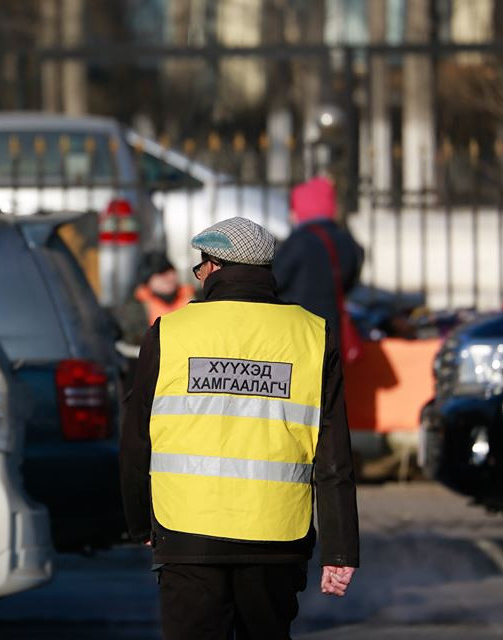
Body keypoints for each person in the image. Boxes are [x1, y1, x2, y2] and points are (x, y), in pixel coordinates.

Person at [120, 217, 359, 640]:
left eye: (199, 268)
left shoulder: (169, 333)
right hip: (276, 539)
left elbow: (137, 439)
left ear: (212, 267)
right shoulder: (312, 336)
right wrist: (339, 550)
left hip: (187, 533)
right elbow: (334, 455)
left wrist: (141, 524)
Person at [274, 175, 364, 334]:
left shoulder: (298, 241)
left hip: (299, 326)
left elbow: (276, 280)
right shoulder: (345, 240)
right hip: (332, 327)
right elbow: (350, 279)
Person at [117, 251, 195, 346]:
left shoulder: (196, 298)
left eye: (170, 272)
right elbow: (131, 337)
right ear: (147, 280)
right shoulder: (134, 307)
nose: (168, 278)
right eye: (161, 274)